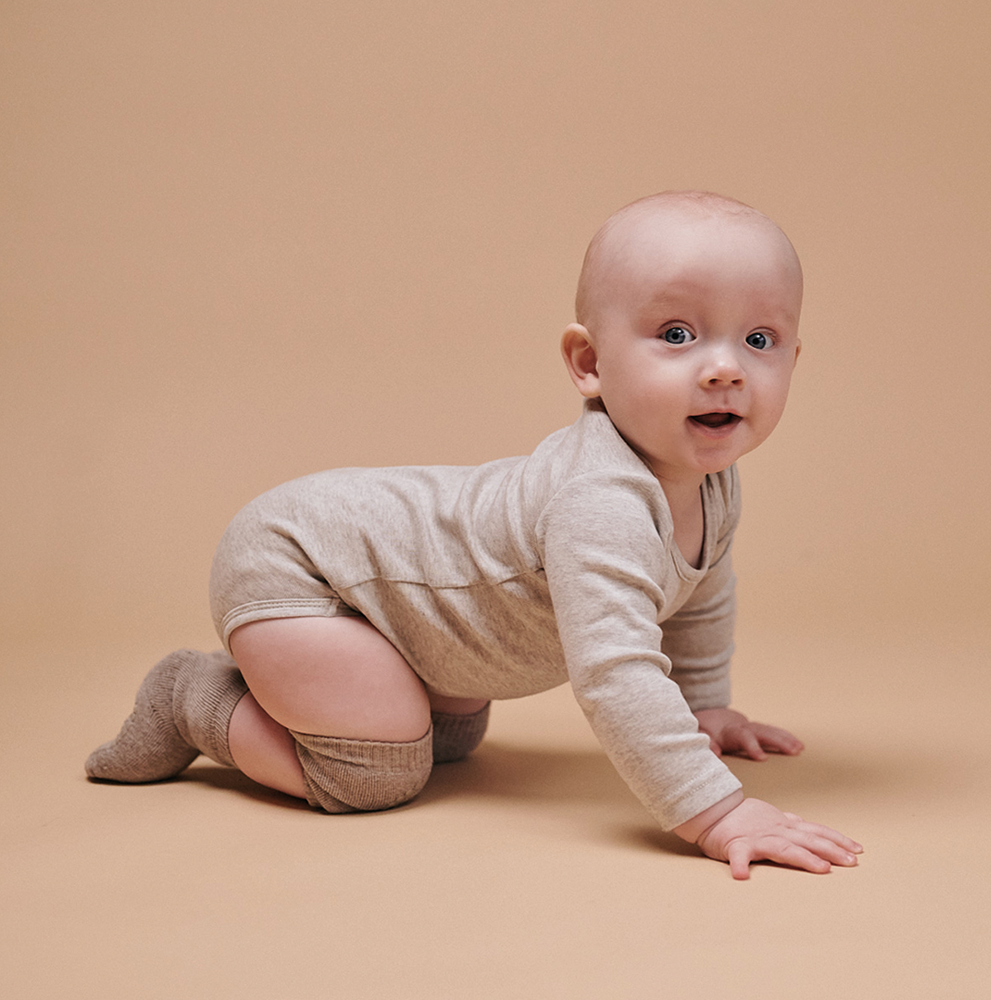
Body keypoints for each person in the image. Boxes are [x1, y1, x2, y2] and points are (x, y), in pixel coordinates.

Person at [87, 190, 863, 879]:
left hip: (411, 610)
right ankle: (191, 698)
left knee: (452, 741)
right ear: (589, 362)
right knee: (375, 775)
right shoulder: (602, 500)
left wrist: (705, 705)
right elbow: (616, 673)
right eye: (677, 334)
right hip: (302, 567)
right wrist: (716, 811)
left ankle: (366, 688)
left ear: (795, 358)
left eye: (759, 341)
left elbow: (694, 590)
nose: (725, 369)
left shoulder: (709, 484)